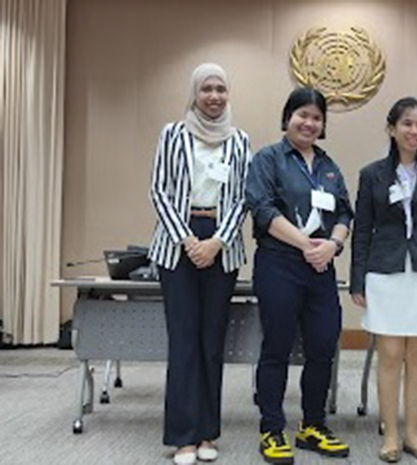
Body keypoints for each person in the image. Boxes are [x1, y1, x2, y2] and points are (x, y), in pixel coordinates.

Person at [148, 63, 250, 465]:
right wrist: (189, 240)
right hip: (178, 243)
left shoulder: (240, 140)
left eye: (221, 89)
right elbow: (159, 190)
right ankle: (182, 437)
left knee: (212, 342)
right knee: (184, 340)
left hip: (221, 243)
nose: (214, 96)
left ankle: (207, 433)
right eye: (206, 88)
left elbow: (244, 196)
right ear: (194, 93)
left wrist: (217, 241)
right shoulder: (172, 134)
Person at [245, 87, 353, 464]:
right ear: (287, 118)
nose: (309, 123)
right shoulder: (268, 159)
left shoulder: (328, 165)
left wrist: (332, 246)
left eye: (316, 117)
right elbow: (261, 208)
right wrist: (307, 245)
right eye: (301, 115)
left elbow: (344, 214)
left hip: (321, 268)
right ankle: (272, 428)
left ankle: (312, 425)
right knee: (277, 347)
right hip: (279, 264)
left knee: (323, 347)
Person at [350, 97, 417, 463]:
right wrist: (357, 280)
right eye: (407, 124)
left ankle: (413, 432)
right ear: (392, 128)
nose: (415, 131)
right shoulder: (372, 174)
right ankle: (391, 434)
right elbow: (362, 229)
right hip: (385, 272)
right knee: (390, 355)